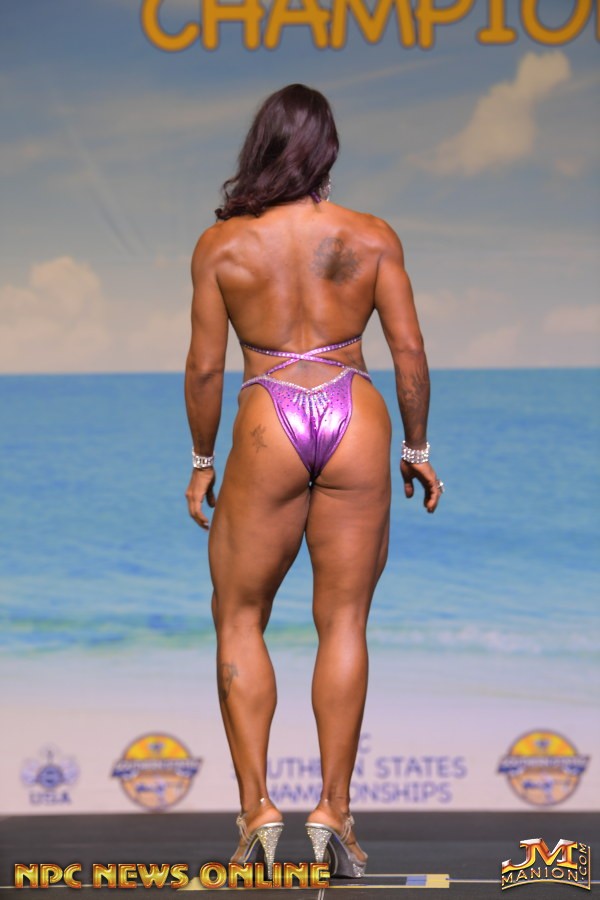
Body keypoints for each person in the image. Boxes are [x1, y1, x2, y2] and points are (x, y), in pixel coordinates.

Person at [184, 84, 443, 879]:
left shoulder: (222, 246)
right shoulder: (370, 236)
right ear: (326, 151)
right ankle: (334, 811)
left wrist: (202, 461)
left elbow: (205, 368)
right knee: (344, 621)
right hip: (353, 408)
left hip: (268, 410)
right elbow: (408, 351)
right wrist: (417, 445)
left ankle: (257, 810)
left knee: (239, 616)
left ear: (261, 146)